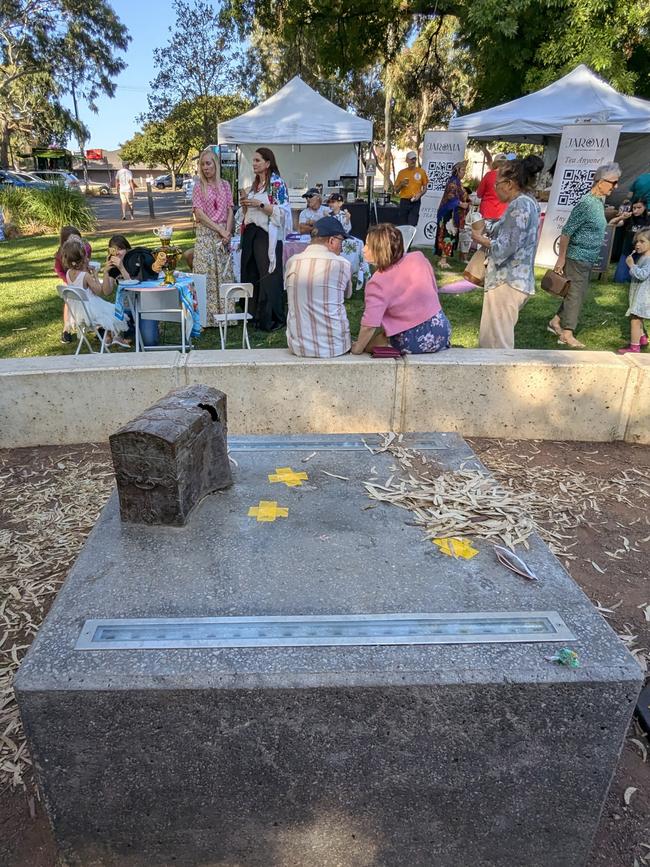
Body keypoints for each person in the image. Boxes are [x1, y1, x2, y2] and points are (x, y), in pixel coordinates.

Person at [471, 156, 544, 350]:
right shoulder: (529, 202)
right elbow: (511, 232)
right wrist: (486, 226)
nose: (495, 189)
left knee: (497, 342)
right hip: (516, 280)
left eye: (497, 184)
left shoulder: (519, 205)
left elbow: (505, 247)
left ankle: (495, 379)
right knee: (494, 337)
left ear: (510, 184)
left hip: (507, 281)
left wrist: (481, 239)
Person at [548, 162, 622, 348]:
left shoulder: (598, 202)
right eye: (613, 182)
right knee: (575, 296)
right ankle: (567, 333)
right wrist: (561, 258)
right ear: (600, 181)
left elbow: (593, 227)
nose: (616, 186)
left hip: (587, 258)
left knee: (574, 293)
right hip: (577, 257)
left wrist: (615, 220)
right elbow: (567, 231)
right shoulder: (586, 203)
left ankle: (555, 321)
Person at [351, 223, 451, 355]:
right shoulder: (418, 258)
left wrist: (358, 348)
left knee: (370, 345)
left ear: (381, 249)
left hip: (414, 339)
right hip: (442, 329)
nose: (364, 249)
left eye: (368, 245)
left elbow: (369, 325)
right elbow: (433, 288)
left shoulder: (378, 282)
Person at [285, 216, 353, 358]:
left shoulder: (292, 262)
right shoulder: (342, 264)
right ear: (332, 241)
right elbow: (348, 294)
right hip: (335, 347)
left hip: (299, 346)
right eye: (342, 241)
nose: (342, 247)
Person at [240, 147, 291, 332]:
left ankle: (271, 317)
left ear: (268, 163)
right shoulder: (254, 185)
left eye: (257, 160)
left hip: (267, 234)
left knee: (268, 275)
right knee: (252, 272)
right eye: (253, 161)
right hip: (252, 233)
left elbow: (282, 212)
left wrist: (260, 204)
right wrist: (246, 203)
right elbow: (247, 214)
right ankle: (254, 314)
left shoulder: (276, 184)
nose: (254, 164)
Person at [60, 236, 130, 348]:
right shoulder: (86, 276)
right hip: (91, 309)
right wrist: (96, 275)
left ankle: (110, 336)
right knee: (114, 313)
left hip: (77, 312)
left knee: (110, 312)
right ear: (83, 258)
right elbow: (99, 291)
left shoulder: (68, 273)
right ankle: (114, 337)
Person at [191, 147, 235, 324]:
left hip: (223, 233)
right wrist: (220, 229)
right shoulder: (198, 186)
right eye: (202, 164)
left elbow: (230, 209)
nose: (205, 167)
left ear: (216, 164)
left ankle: (226, 316)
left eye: (208, 163)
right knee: (205, 273)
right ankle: (206, 318)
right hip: (206, 233)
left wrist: (227, 232)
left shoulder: (225, 185)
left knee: (223, 275)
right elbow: (199, 214)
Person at [54, 225, 93, 344]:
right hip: (70, 279)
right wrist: (67, 281)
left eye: (78, 238)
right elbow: (59, 270)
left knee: (91, 295)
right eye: (73, 239)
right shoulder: (60, 254)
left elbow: (86, 263)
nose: (77, 241)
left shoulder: (86, 248)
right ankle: (66, 329)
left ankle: (93, 324)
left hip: (83, 277)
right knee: (69, 299)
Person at [326, 192, 370, 288]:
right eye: (330, 202)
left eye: (333, 202)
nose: (331, 204)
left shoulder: (344, 215)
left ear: (340, 204)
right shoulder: (328, 215)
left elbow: (346, 229)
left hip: (343, 237)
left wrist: (347, 220)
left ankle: (360, 271)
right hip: (332, 238)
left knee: (359, 243)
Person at [617, 229, 650, 354]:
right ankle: (642, 338)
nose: (637, 244)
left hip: (644, 296)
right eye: (637, 241)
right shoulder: (643, 258)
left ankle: (634, 347)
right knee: (636, 316)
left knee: (635, 320)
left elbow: (642, 275)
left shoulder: (649, 259)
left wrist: (631, 265)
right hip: (638, 294)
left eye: (642, 241)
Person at [436, 161, 470, 269]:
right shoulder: (453, 182)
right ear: (457, 171)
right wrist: (461, 204)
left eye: (465, 170)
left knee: (450, 235)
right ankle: (442, 260)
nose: (464, 172)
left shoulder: (458, 182)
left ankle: (443, 258)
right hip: (448, 213)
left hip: (452, 213)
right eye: (463, 170)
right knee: (446, 234)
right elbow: (451, 196)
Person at [613, 200, 650, 282]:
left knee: (639, 278)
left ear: (645, 207)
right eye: (634, 208)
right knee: (619, 280)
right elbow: (612, 224)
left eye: (639, 207)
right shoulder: (629, 218)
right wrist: (621, 217)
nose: (636, 210)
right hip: (628, 251)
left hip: (642, 253)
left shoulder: (648, 220)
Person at [393, 151, 428, 227]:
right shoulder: (401, 173)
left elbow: (425, 188)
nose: (413, 161)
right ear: (407, 160)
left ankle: (411, 238)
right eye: (411, 159)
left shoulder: (421, 172)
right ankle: (403, 238)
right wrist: (401, 185)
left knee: (412, 224)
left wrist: (420, 194)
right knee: (403, 224)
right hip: (404, 201)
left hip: (415, 201)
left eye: (415, 159)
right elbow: (396, 190)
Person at [475, 153, 509, 223]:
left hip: (487, 211)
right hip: (502, 212)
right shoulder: (509, 177)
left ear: (495, 163)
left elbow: (479, 194)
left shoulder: (488, 175)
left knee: (485, 233)